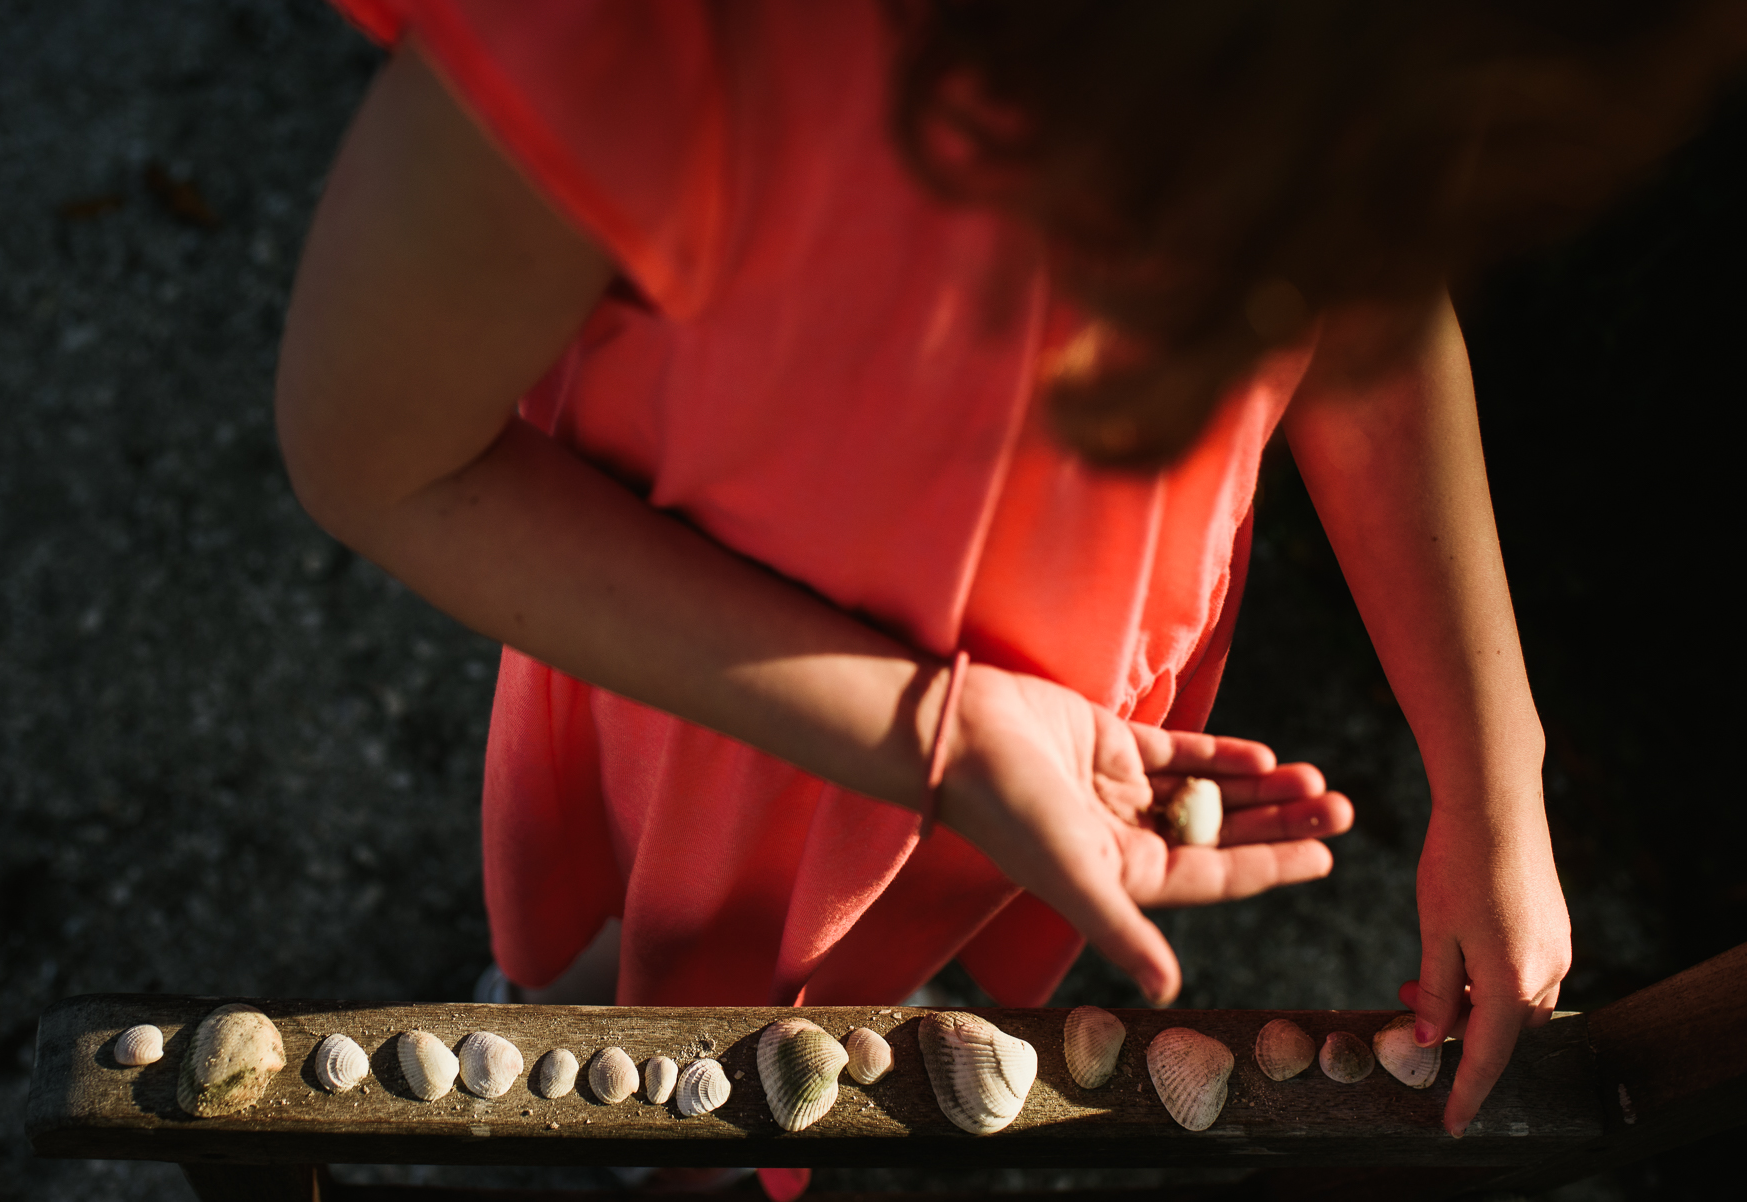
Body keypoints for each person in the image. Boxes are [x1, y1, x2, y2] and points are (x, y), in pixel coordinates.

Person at [276, 0, 1742, 1139]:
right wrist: (929, 728)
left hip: (1066, 712)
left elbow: (1365, 304)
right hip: (722, 681)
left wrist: (1497, 764)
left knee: (881, 927)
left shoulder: (1317, 74)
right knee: (669, 921)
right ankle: (623, 1074)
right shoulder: (663, 44)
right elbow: (383, 453)